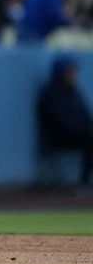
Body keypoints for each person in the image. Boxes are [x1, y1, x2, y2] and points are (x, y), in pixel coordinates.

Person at [37, 54, 93, 187]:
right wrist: (84, 130)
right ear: (60, 73)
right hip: (59, 138)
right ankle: (84, 182)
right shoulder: (50, 93)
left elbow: (85, 115)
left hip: (79, 134)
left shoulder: (74, 90)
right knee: (90, 139)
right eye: (69, 71)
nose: (73, 74)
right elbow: (58, 123)